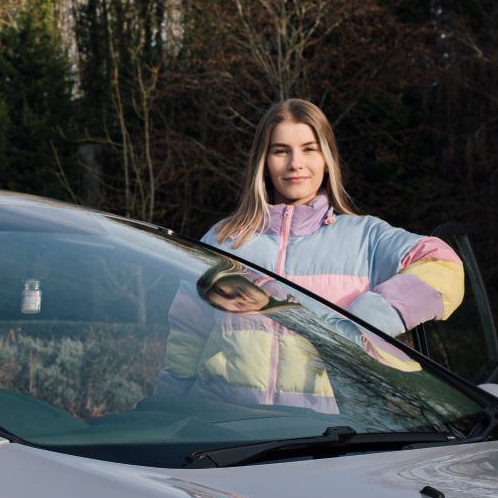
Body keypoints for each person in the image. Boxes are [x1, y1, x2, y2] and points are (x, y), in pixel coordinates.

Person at [159, 99, 461, 408]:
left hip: (326, 436)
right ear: (263, 161)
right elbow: (188, 329)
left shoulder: (364, 237)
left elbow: (443, 264)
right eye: (280, 151)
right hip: (226, 425)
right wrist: (166, 406)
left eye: (309, 148)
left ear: (327, 158)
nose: (295, 163)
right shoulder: (222, 238)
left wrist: (366, 320)